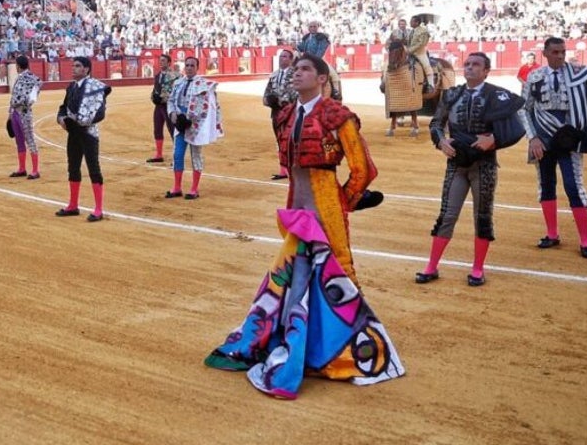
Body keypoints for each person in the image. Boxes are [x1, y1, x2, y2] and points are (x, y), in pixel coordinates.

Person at [204, 55, 402, 399]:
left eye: (305, 70)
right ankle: (303, 344)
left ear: (322, 79)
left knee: (339, 272)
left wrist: (344, 203)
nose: (297, 74)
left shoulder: (338, 116)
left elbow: (364, 170)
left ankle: (355, 349)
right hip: (297, 203)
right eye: (295, 70)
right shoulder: (287, 114)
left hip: (325, 202)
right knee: (296, 274)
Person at [417, 52, 525, 287]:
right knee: (447, 214)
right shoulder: (452, 94)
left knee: (482, 216)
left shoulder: (496, 95)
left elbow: (517, 128)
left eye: (476, 65)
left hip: (484, 164)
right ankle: (431, 266)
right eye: (467, 64)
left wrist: (494, 140)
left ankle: (477, 268)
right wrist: (441, 141)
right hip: (456, 163)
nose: (470, 68)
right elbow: (437, 123)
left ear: (486, 71)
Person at [519, 37, 587, 259]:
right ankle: (552, 234)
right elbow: (523, 109)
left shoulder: (578, 74)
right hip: (542, 139)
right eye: (555, 52)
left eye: (562, 51)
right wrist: (532, 138)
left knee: (573, 185)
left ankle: (586, 240)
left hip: (569, 139)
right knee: (546, 184)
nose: (560, 56)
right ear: (545, 53)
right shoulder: (535, 76)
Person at [56, 56, 111, 222]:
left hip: (88, 134)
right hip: (73, 133)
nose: (74, 69)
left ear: (87, 69)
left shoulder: (95, 87)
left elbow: (100, 113)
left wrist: (82, 122)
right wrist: (62, 120)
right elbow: (63, 108)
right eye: (73, 66)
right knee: (73, 168)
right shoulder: (71, 87)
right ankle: (73, 205)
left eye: (78, 66)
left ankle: (99, 209)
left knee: (93, 169)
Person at [165, 56, 222, 199]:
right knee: (177, 155)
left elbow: (208, 107)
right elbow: (171, 100)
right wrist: (172, 114)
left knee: (195, 156)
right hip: (180, 123)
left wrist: (191, 119)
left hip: (196, 125)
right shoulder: (178, 83)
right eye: (187, 65)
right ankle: (177, 187)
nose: (189, 68)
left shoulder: (203, 85)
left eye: (192, 65)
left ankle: (194, 189)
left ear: (197, 68)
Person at [262, 49, 295, 179]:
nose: (282, 59)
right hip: (276, 112)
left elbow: (298, 93)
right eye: (281, 56)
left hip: (291, 112)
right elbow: (266, 93)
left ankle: (294, 168)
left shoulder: (296, 74)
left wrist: (283, 102)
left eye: (285, 57)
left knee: (292, 140)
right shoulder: (274, 75)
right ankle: (283, 170)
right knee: (279, 140)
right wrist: (268, 101)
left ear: (291, 60)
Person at [8, 54, 42, 179]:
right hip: (15, 112)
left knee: (30, 140)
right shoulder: (20, 77)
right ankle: (22, 168)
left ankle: (35, 170)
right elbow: (13, 96)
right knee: (19, 141)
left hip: (24, 112)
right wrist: (10, 113)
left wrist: (30, 101)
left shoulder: (32, 78)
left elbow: (38, 85)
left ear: (18, 65)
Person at [147, 53, 179, 162]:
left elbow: (176, 92)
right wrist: (153, 98)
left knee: (173, 130)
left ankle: (177, 156)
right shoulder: (158, 75)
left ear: (169, 63)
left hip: (169, 106)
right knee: (157, 129)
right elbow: (154, 90)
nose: (161, 63)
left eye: (163, 61)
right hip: (159, 106)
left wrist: (163, 98)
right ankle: (159, 154)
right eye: (160, 61)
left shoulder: (175, 76)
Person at [406, 14, 435, 92]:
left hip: (420, 53)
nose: (410, 23)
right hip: (410, 52)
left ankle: (431, 85)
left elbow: (421, 43)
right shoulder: (411, 31)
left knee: (427, 66)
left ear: (417, 22)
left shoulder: (423, 31)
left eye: (411, 21)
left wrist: (410, 50)